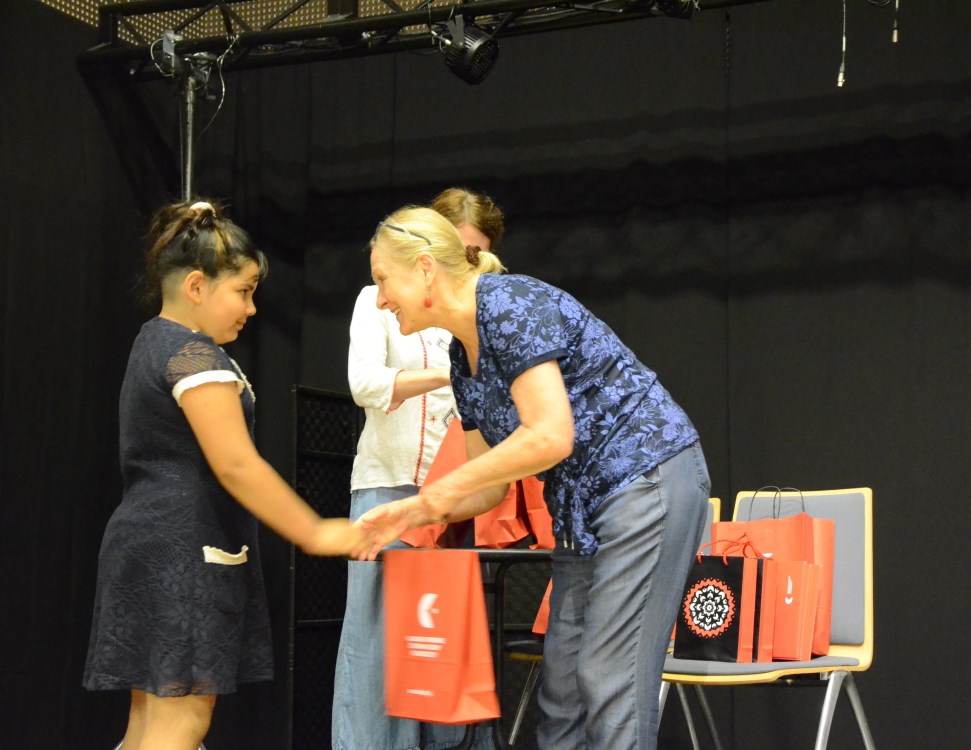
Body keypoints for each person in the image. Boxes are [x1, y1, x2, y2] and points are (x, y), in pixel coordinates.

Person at [358, 206, 712, 750]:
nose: (380, 298)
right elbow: (488, 486)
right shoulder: (461, 358)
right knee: (562, 688)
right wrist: (412, 511)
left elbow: (550, 435)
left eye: (384, 279)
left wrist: (440, 493)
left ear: (425, 268)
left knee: (608, 677)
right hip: (581, 508)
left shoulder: (508, 303)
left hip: (645, 478)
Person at [83, 199, 374, 750]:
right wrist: (316, 531)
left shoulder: (153, 340)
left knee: (149, 720)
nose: (252, 308)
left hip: (145, 545)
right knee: (181, 720)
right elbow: (236, 464)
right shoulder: (194, 357)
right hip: (183, 552)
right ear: (196, 286)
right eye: (243, 291)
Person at [331, 188, 505, 750]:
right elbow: (366, 384)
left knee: (445, 641)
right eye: (463, 248)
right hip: (390, 486)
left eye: (478, 252)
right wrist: (452, 375)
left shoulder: (479, 307)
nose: (470, 260)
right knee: (378, 644)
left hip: (459, 492)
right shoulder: (377, 299)